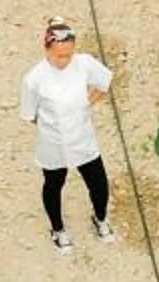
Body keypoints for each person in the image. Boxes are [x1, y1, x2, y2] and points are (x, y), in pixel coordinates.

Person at [20, 18, 114, 253]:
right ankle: (58, 229)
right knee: (53, 185)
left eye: (68, 55)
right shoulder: (34, 79)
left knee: (99, 183)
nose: (64, 61)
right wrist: (52, 126)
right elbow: (30, 114)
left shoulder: (83, 64)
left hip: (83, 138)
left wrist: (85, 105)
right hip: (53, 143)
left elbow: (103, 83)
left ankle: (100, 218)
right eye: (59, 56)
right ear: (46, 50)